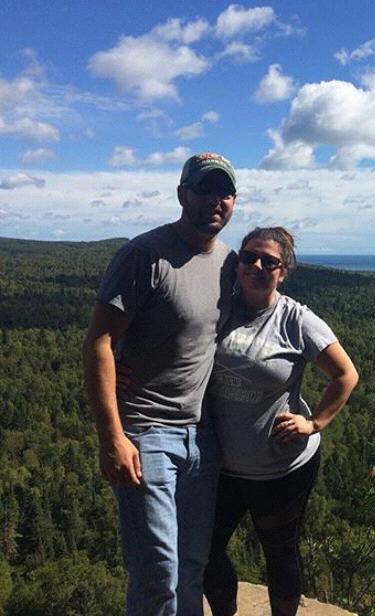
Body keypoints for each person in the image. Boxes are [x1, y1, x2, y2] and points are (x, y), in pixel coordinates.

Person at [82, 152, 238, 615]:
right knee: (158, 575)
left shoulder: (231, 263)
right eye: (205, 189)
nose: (216, 200)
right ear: (181, 194)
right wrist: (111, 436)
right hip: (145, 433)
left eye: (225, 191)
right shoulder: (143, 255)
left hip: (201, 438)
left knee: (192, 566)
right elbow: (100, 342)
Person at [203, 227, 358, 616]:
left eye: (269, 261)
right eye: (249, 257)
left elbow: (346, 375)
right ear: (237, 263)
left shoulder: (296, 319)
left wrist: (314, 423)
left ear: (283, 270)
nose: (257, 266)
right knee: (204, 546)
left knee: (279, 551)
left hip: (281, 467)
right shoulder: (219, 308)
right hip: (222, 465)